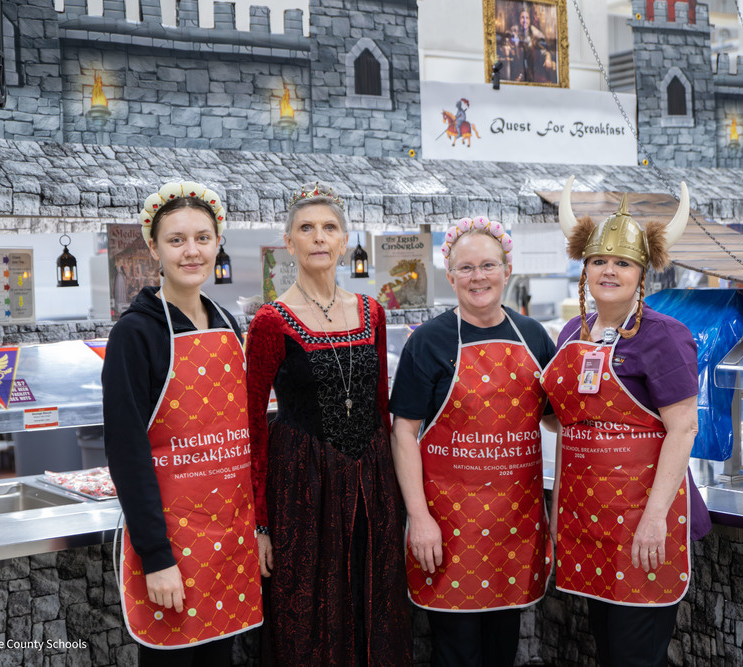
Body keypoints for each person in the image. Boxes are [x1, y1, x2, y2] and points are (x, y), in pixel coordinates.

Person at [543, 177, 710, 666]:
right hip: (591, 518)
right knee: (610, 649)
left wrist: (654, 518)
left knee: (637, 654)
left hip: (644, 517)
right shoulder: (573, 331)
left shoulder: (666, 336)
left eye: (622, 263)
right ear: (584, 268)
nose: (609, 271)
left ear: (643, 273)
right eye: (599, 261)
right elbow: (564, 423)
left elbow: (683, 429)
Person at [245, 181, 411, 666]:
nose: (319, 237)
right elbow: (253, 425)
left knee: (374, 601)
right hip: (301, 486)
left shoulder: (371, 313)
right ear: (289, 241)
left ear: (344, 240)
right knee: (308, 614)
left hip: (371, 484)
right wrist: (258, 525)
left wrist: (396, 500)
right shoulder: (270, 323)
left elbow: (381, 408)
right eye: (307, 228)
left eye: (329, 228)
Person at [104, 180, 263, 665]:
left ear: (218, 243)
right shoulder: (134, 334)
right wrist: (156, 558)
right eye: (176, 240)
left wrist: (255, 532)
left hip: (229, 544)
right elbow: (127, 454)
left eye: (202, 237)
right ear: (154, 247)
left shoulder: (226, 324)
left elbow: (243, 440)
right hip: (171, 546)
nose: (191, 251)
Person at [390, 216, 556, 667]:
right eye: (466, 268)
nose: (478, 277)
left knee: (503, 643)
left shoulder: (535, 336)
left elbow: (555, 419)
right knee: (456, 649)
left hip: (514, 526)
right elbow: (403, 433)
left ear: (506, 270)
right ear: (450, 276)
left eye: (487, 265)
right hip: (450, 527)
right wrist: (419, 518)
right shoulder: (427, 342)